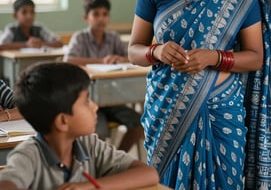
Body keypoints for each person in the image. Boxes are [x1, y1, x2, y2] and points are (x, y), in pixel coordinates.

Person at [128, 0, 271, 190]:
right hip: (167, 108)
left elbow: (255, 56)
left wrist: (215, 58)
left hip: (220, 108)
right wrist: (156, 50)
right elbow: (133, 49)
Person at [0, 62, 159, 190]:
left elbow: (149, 174)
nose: (95, 106)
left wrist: (88, 186)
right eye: (86, 102)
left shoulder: (89, 145)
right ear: (62, 121)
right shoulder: (28, 155)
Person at [65, 0, 143, 152]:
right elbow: (69, 61)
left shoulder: (113, 38)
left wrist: (120, 59)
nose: (101, 19)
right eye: (96, 14)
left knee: (141, 124)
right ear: (86, 17)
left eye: (105, 14)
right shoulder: (80, 38)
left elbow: (130, 57)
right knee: (97, 131)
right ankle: (99, 164)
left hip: (114, 99)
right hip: (89, 102)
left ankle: (118, 158)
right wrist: (101, 61)